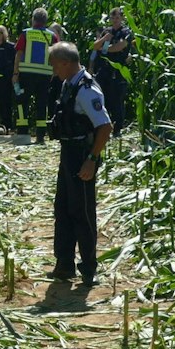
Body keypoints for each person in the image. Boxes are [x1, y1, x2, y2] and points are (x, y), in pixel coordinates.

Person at [45, 41, 113, 284]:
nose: (53, 69)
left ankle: (88, 269)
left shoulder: (86, 89)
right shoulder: (68, 84)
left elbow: (105, 127)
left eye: (55, 65)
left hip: (82, 155)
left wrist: (91, 160)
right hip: (68, 152)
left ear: (66, 63)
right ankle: (64, 265)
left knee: (82, 212)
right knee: (62, 208)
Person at [13, 8, 62, 143]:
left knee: (23, 102)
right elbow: (57, 55)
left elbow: (18, 53)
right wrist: (54, 72)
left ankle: (23, 134)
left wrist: (15, 73)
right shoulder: (52, 36)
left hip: (26, 73)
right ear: (45, 21)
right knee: (42, 104)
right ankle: (40, 136)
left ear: (33, 19)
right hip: (44, 75)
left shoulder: (26, 34)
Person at [91, 7, 134, 134]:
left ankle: (117, 128)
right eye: (113, 18)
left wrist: (104, 49)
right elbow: (95, 46)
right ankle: (103, 126)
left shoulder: (126, 32)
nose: (115, 20)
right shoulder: (107, 32)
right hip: (104, 70)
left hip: (119, 70)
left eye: (117, 18)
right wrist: (104, 40)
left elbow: (120, 46)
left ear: (122, 18)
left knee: (117, 99)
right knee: (103, 97)